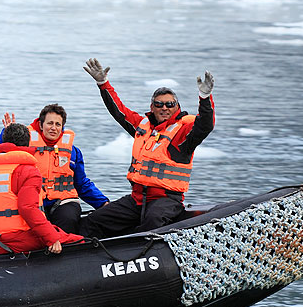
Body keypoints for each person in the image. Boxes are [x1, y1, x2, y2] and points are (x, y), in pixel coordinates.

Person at [81, 57, 216, 236]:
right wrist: (103, 83)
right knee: (94, 221)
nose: (164, 108)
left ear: (177, 107)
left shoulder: (183, 132)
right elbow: (119, 111)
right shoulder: (142, 126)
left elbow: (205, 125)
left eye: (170, 104)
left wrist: (205, 99)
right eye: (159, 104)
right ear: (152, 107)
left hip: (167, 201)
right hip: (137, 199)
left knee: (152, 222)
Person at [0, 123, 84, 256]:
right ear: (28, 144)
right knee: (78, 241)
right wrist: (52, 239)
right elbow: (28, 208)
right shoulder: (29, 172)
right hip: (20, 241)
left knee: (56, 231)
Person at [0, 103, 108, 234]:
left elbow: (82, 183)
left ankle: (67, 249)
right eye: (50, 123)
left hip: (64, 201)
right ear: (40, 125)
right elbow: (1, 158)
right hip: (33, 202)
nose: (53, 128)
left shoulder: (73, 152)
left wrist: (103, 203)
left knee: (68, 219)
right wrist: (7, 136)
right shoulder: (24, 145)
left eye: (58, 124)